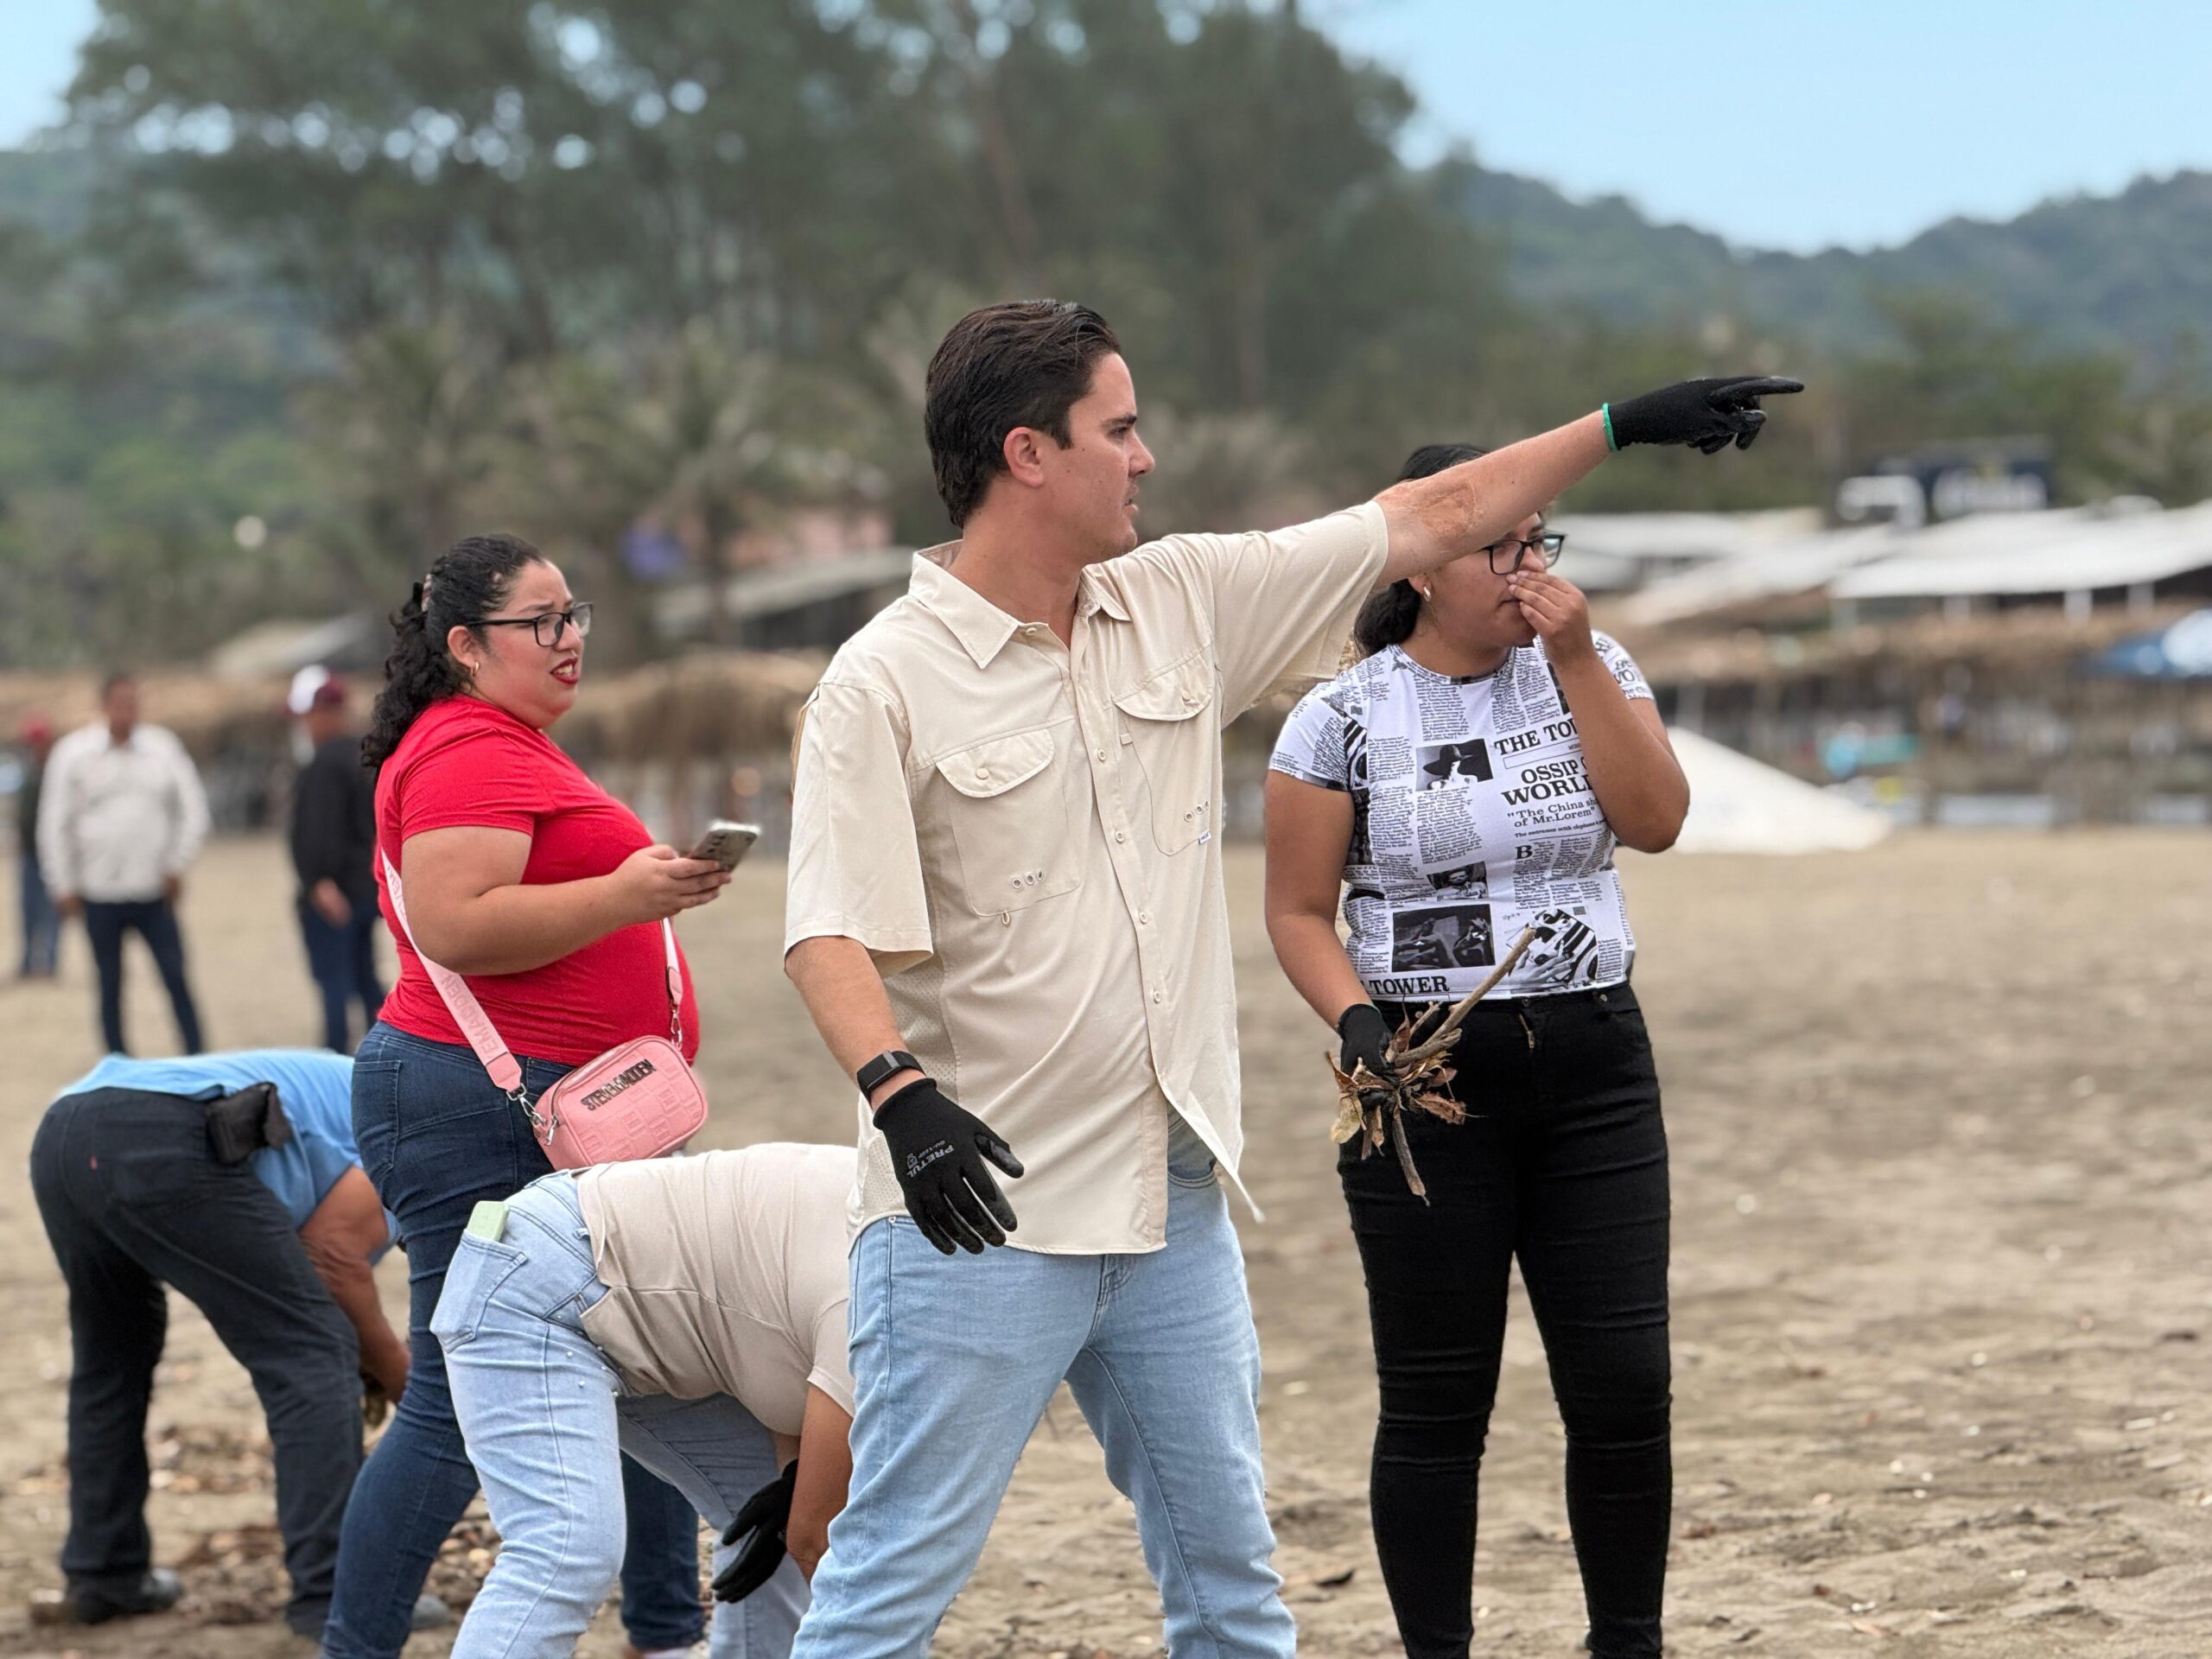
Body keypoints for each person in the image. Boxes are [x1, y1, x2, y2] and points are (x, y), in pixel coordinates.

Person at [781, 298, 1793, 1656]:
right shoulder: (881, 682)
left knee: (1234, 1596)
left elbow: (1428, 514)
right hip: (985, 1210)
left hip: (1172, 1197)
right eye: (1119, 429)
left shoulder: (1182, 602)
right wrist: (897, 1091)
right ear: (1029, 453)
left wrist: (1621, 425)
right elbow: (826, 926)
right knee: (887, 1593)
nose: (1145, 457)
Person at [1263, 442, 1693, 1659]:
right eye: (1508, 544)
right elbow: (1297, 913)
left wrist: (1569, 656)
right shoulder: (1338, 715)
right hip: (1423, 1083)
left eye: (1542, 540)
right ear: (1432, 560)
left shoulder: (1592, 663)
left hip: (1598, 1063)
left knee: (1622, 1389)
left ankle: (1628, 1643)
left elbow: (1656, 823)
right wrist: (1361, 1030)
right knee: (1438, 1404)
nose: (1532, 565)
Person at [321, 534, 733, 1659]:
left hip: (544, 1111)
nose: (570, 641)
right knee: (456, 1397)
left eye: (576, 615)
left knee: (646, 1361)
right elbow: (458, 924)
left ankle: (664, 1627)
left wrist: (641, 897)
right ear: (464, 645)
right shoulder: (466, 745)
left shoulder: (495, 742)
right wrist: (627, 891)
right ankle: (355, 1645)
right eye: (540, 622)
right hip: (488, 1113)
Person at [29, 1048, 407, 1640]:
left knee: (112, 1359)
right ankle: (336, 1597)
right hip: (163, 1135)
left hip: (66, 1131)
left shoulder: (377, 1087)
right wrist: (397, 1371)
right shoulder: (425, 1136)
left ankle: (105, 1574)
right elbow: (332, 1256)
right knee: (312, 1357)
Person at [434, 1143, 858, 1659]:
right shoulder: (885, 1296)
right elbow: (824, 1550)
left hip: (640, 1314)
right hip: (538, 1284)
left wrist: (799, 1490)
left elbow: (789, 1352)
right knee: (565, 1552)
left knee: (771, 1523)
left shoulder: (896, 1252)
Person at [37, 673, 210, 1053]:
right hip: (99, 891)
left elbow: (193, 809)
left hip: (153, 890)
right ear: (103, 705)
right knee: (110, 984)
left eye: (132, 703)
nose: (126, 711)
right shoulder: (73, 754)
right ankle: (118, 1061)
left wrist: (176, 862)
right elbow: (55, 822)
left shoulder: (163, 749)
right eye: (119, 703)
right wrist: (61, 882)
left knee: (175, 976)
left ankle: (196, 1053)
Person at [289, 675, 385, 1052]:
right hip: (365, 886)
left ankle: (333, 1059)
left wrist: (318, 882)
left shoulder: (324, 764)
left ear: (326, 714)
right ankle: (385, 1050)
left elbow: (317, 829)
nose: (304, 725)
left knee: (334, 984)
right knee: (365, 978)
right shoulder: (366, 756)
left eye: (308, 715)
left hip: (334, 891)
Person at [15, 714, 60, 978]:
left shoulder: (55, 774)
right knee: (27, 909)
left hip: (50, 854)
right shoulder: (28, 774)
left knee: (50, 910)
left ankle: (49, 962)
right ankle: (28, 962)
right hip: (28, 853)